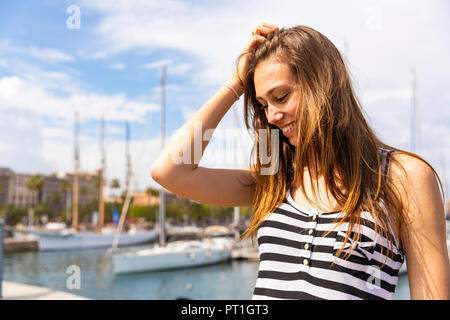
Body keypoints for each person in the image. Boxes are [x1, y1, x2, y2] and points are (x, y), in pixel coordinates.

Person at [151, 23, 450, 300]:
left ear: (324, 83)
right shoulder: (273, 179)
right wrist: (236, 83)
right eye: (263, 105)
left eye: (281, 97)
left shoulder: (404, 178)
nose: (271, 116)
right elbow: (170, 171)